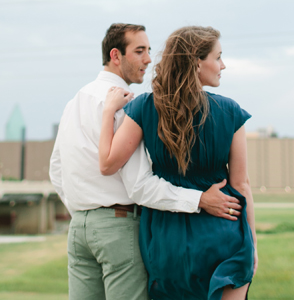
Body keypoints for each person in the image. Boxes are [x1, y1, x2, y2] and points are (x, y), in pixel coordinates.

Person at [49, 23, 243, 300]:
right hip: (118, 226)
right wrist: (198, 199)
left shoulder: (74, 101)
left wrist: (86, 213)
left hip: (79, 228)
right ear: (116, 56)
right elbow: (140, 186)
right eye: (140, 51)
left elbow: (56, 169)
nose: (149, 59)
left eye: (149, 50)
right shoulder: (125, 104)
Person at [99, 26, 256, 300]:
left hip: (165, 240)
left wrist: (107, 114)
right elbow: (241, 183)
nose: (223, 65)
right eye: (218, 57)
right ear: (197, 61)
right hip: (223, 232)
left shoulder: (144, 108)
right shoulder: (231, 112)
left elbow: (108, 163)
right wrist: (251, 242)